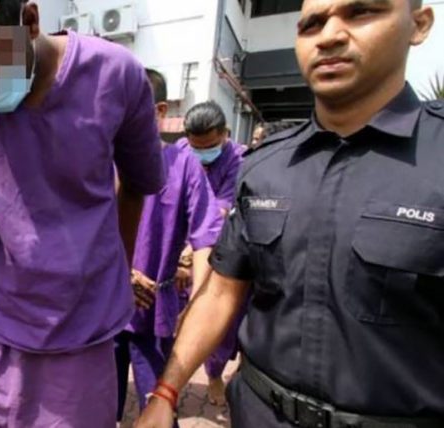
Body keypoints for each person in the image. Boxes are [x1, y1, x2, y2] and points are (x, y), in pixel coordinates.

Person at [136, 1, 443, 427]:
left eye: (361, 12)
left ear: (419, 25)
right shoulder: (266, 165)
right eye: (312, 24)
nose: (330, 36)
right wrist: (166, 392)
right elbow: (222, 291)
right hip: (260, 413)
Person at [0, 0, 164, 426]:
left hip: (81, 345)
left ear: (29, 21)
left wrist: (111, 275)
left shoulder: (114, 73)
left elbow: (138, 182)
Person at [114, 69, 221, 426]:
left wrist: (199, 304)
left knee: (158, 407)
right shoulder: (100, 160)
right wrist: (120, 274)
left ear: (159, 111)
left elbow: (207, 236)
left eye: (131, 106)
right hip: (104, 312)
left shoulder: (183, 164)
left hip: (153, 315)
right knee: (98, 407)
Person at [177, 100, 246, 406]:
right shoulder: (180, 152)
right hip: (181, 249)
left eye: (209, 147)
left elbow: (222, 207)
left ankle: (214, 373)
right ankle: (171, 374)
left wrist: (196, 246)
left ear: (224, 134)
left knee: (217, 321)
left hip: (218, 247)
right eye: (196, 147)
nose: (202, 154)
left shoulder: (240, 159)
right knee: (174, 317)